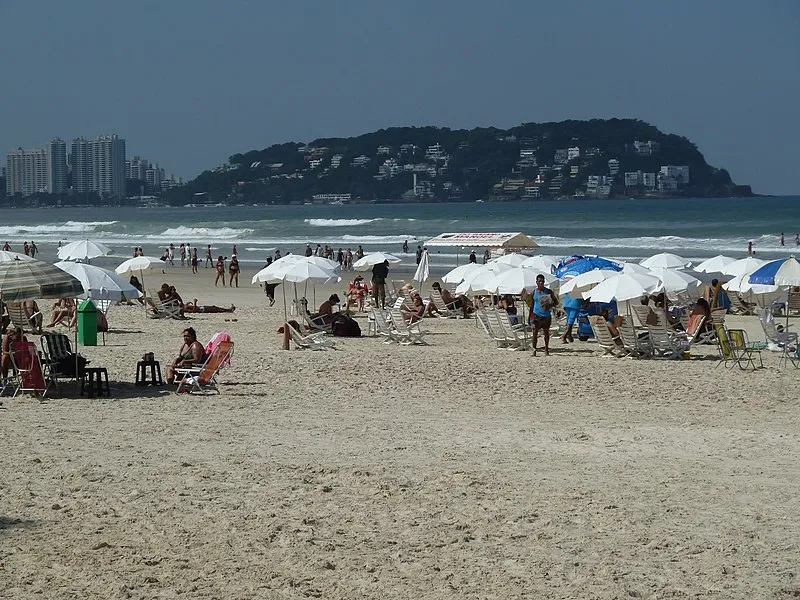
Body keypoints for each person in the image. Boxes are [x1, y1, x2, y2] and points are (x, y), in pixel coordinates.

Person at [530, 274, 559, 356]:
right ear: (536, 282)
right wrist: (530, 317)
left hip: (546, 316)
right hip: (536, 315)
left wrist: (549, 305)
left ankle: (546, 349)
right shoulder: (534, 292)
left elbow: (556, 302)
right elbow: (532, 305)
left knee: (546, 333)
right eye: (539, 281)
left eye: (542, 281)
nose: (541, 283)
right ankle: (534, 350)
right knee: (534, 333)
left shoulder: (549, 292)